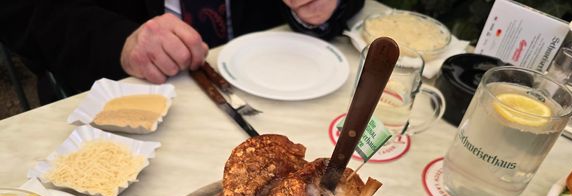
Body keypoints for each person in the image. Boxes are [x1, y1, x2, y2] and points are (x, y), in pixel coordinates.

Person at [0, 0, 364, 101]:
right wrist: (118, 42)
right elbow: (22, 12)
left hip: (274, 79)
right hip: (129, 88)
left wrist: (321, 9)